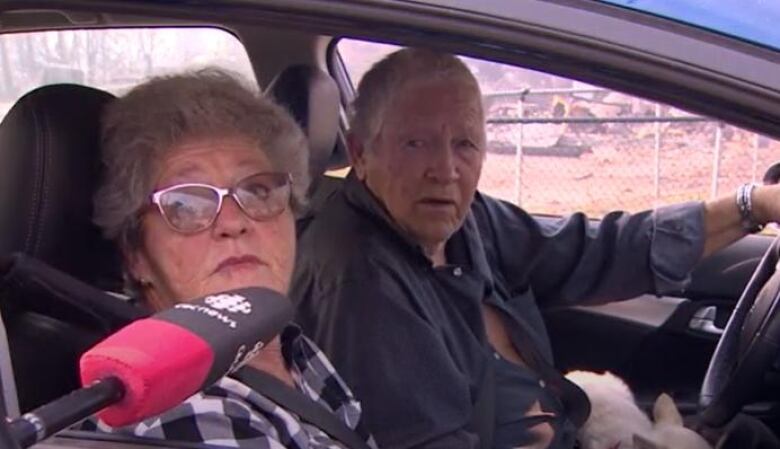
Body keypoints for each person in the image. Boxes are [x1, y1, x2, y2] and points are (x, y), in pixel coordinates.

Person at [291, 48, 780, 449]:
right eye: (415, 143)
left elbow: (594, 251)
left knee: (748, 436)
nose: (445, 169)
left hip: (576, 427)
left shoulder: (466, 222)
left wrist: (752, 206)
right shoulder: (358, 284)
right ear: (361, 154)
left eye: (465, 144)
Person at [83, 69, 375, 449]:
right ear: (136, 256)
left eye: (257, 190)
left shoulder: (287, 346)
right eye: (186, 204)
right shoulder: (180, 411)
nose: (234, 222)